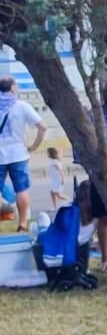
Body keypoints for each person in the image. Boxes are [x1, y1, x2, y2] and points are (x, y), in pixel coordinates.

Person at [0, 77, 45, 232]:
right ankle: (23, 223)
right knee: (21, 189)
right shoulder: (21, 106)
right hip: (19, 154)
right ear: (12, 88)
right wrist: (33, 146)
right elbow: (42, 127)